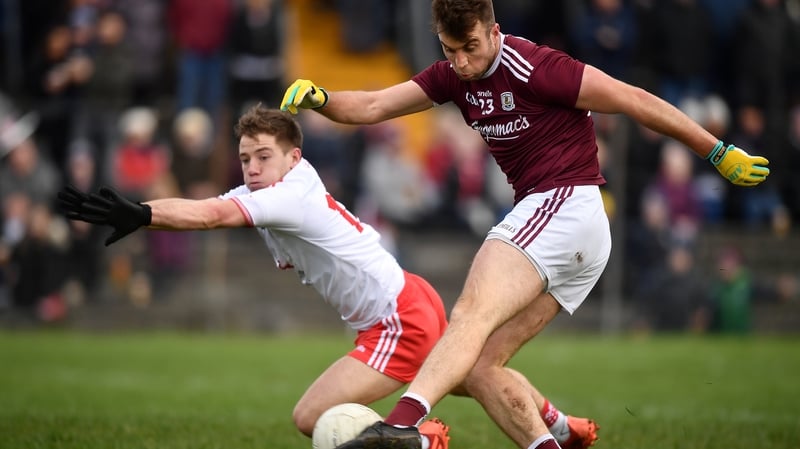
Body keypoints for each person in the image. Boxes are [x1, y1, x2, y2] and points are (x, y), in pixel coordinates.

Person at [278, 1, 771, 449]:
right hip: (572, 232)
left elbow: (634, 99)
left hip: (566, 202)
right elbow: (372, 106)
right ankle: (554, 432)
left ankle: (402, 427)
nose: (462, 62)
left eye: (471, 47)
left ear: (494, 32)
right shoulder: (451, 75)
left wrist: (716, 151)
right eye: (451, 51)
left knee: (470, 311)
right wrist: (322, 98)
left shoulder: (537, 66)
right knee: (479, 366)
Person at [57, 106, 593, 449]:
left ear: (294, 158)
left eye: (263, 156)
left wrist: (141, 214)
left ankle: (418, 442)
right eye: (245, 158)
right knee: (475, 374)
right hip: (406, 297)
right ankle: (558, 424)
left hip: (394, 321)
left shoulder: (287, 194)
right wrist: (149, 209)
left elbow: (212, 216)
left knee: (313, 417)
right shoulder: (271, 188)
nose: (251, 167)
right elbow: (214, 206)